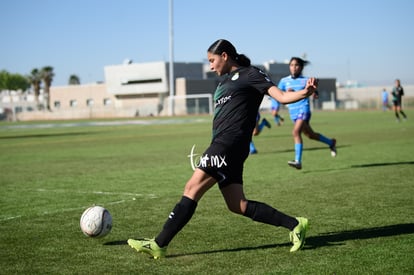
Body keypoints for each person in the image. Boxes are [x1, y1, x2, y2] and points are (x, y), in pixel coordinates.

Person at [127, 39, 317, 259]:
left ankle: (159, 244)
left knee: (191, 188)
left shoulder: (251, 74)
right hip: (226, 146)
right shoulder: (223, 82)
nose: (210, 66)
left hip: (228, 145)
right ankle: (295, 225)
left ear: (225, 56)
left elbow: (282, 96)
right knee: (237, 204)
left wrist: (305, 92)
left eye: (212, 60)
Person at [278, 57, 336, 170]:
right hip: (293, 113)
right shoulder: (284, 81)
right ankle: (331, 142)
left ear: (301, 67)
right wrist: (285, 95)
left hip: (303, 110)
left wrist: (314, 93)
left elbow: (315, 92)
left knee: (295, 132)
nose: (294, 67)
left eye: (296, 65)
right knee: (310, 135)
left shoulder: (306, 80)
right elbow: (278, 95)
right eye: (291, 65)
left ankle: (298, 161)